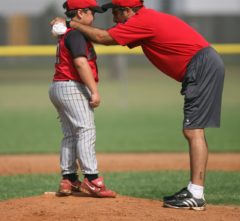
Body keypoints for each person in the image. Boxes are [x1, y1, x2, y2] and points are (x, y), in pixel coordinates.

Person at [51, 0, 225, 209]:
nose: (113, 18)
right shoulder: (146, 19)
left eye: (115, 12)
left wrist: (71, 24)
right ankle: (194, 190)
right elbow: (102, 36)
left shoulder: (142, 21)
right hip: (202, 65)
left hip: (201, 66)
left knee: (193, 130)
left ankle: (195, 193)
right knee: (192, 130)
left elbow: (103, 37)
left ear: (127, 11)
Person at [49, 0, 116, 198]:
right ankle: (92, 179)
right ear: (79, 13)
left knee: (70, 134)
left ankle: (68, 179)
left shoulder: (68, 33)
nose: (93, 16)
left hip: (58, 86)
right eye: (91, 13)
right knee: (85, 131)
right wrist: (94, 91)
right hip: (72, 87)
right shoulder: (77, 34)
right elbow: (80, 63)